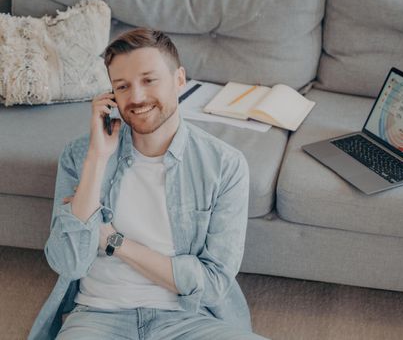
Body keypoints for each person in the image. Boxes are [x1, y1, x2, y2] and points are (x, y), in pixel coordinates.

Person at [29, 27, 267, 340]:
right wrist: (96, 159)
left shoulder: (225, 165)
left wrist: (114, 241)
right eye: (123, 86)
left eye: (149, 80)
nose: (137, 97)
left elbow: (213, 284)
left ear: (179, 79)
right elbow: (69, 263)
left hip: (189, 318)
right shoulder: (80, 156)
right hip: (98, 316)